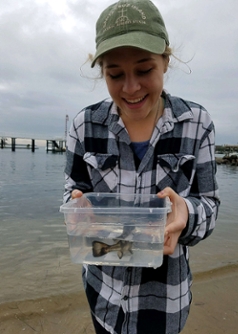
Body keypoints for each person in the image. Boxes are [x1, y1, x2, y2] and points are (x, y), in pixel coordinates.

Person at [63, 0, 220, 333]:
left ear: (166, 59)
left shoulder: (197, 124)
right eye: (115, 74)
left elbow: (209, 205)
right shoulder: (84, 125)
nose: (131, 88)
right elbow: (72, 191)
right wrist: (78, 208)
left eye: (145, 70)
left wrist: (186, 215)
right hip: (101, 292)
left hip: (165, 301)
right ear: (101, 70)